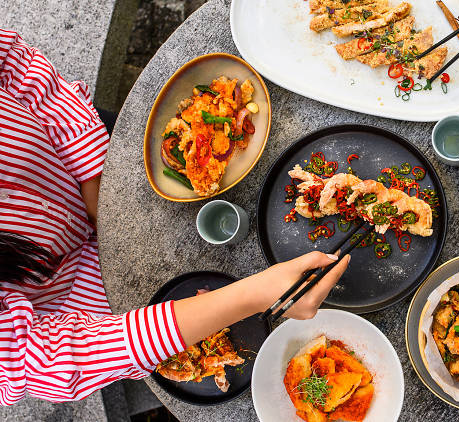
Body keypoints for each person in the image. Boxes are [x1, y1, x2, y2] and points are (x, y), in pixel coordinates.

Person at [0, 28, 350, 405]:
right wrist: (255, 295)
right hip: (93, 311)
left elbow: (15, 65)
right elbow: (27, 363)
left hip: (99, 171)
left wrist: (97, 186)